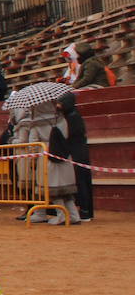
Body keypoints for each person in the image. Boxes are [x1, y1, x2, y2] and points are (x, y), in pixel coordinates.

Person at [57, 93, 92, 221]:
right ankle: (86, 210)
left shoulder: (72, 117)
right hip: (79, 151)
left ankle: (85, 210)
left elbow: (70, 135)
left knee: (81, 182)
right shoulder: (72, 115)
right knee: (82, 182)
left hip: (77, 153)